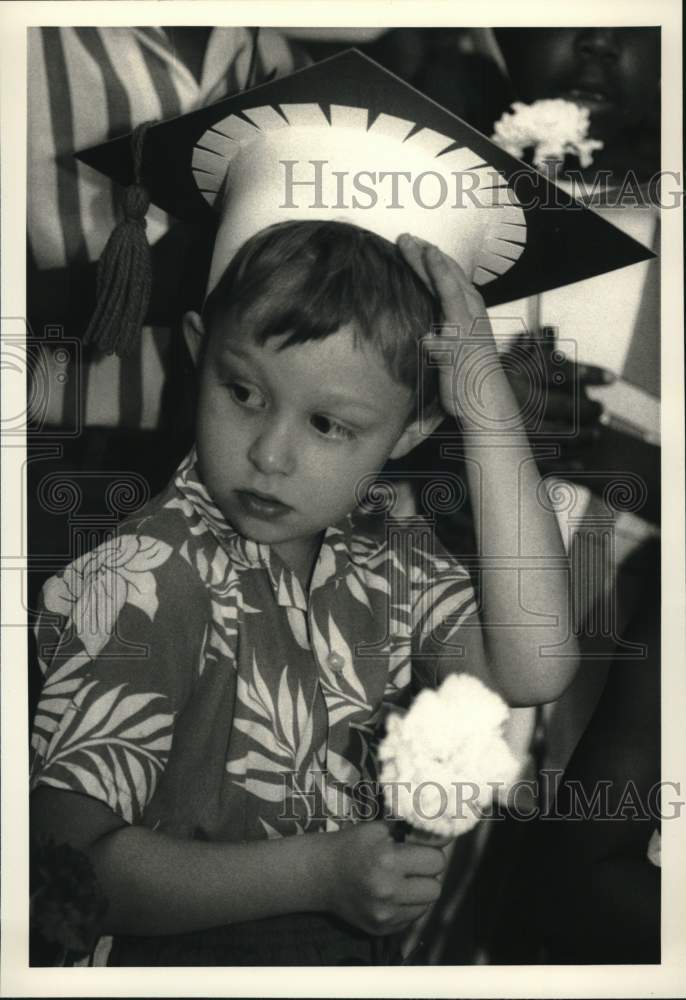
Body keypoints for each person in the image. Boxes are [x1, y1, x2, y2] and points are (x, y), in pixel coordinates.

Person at [28, 50, 649, 966]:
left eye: (329, 423)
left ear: (407, 431)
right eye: (243, 391)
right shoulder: (146, 575)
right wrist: (317, 875)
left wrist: (484, 397)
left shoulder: (387, 555)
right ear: (200, 348)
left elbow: (535, 662)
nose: (272, 452)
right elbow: (60, 870)